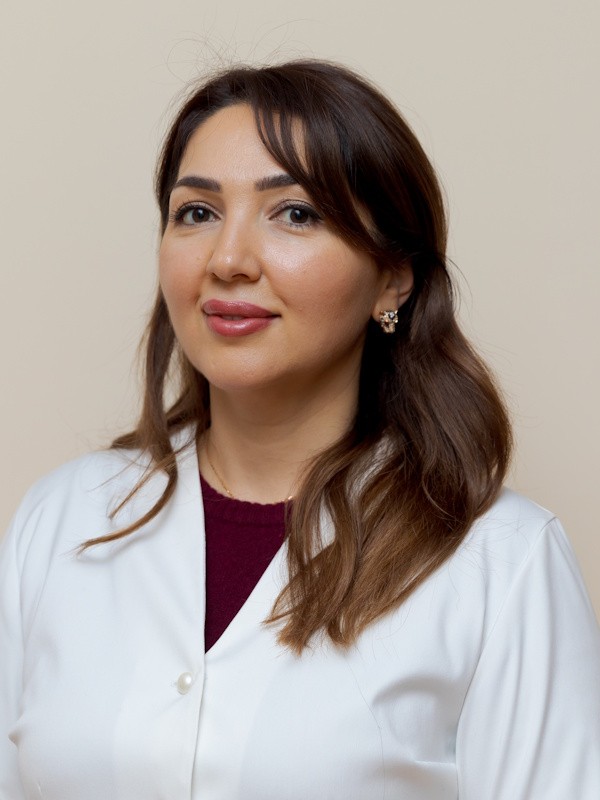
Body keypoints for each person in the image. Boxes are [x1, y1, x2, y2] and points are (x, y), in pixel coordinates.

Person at [1, 60, 599, 800]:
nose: (227, 260)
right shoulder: (61, 520)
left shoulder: (500, 562)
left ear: (392, 276)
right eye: (197, 213)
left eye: (295, 213)